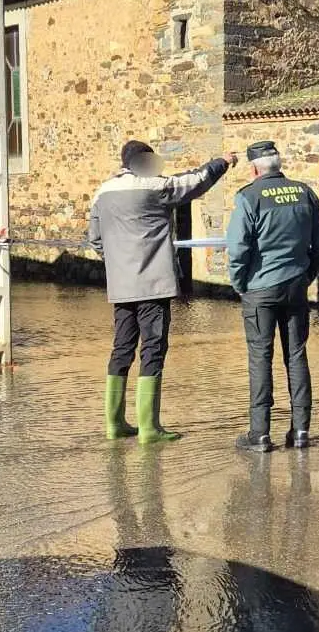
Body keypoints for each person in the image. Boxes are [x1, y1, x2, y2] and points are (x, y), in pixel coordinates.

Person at [89, 140, 236, 443]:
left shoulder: (101, 192)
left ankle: (114, 424)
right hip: (153, 283)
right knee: (153, 349)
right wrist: (222, 161)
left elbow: (95, 240)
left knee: (121, 349)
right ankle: (149, 428)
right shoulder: (154, 185)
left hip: (121, 285)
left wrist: (119, 263)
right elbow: (194, 182)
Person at [226, 140, 319, 453]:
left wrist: (239, 283)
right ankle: (300, 432)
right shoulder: (305, 193)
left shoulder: (248, 197)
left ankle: (259, 434)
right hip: (295, 286)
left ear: (254, 168)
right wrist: (307, 274)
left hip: (260, 289)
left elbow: (237, 249)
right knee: (296, 355)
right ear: (278, 164)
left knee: (260, 358)